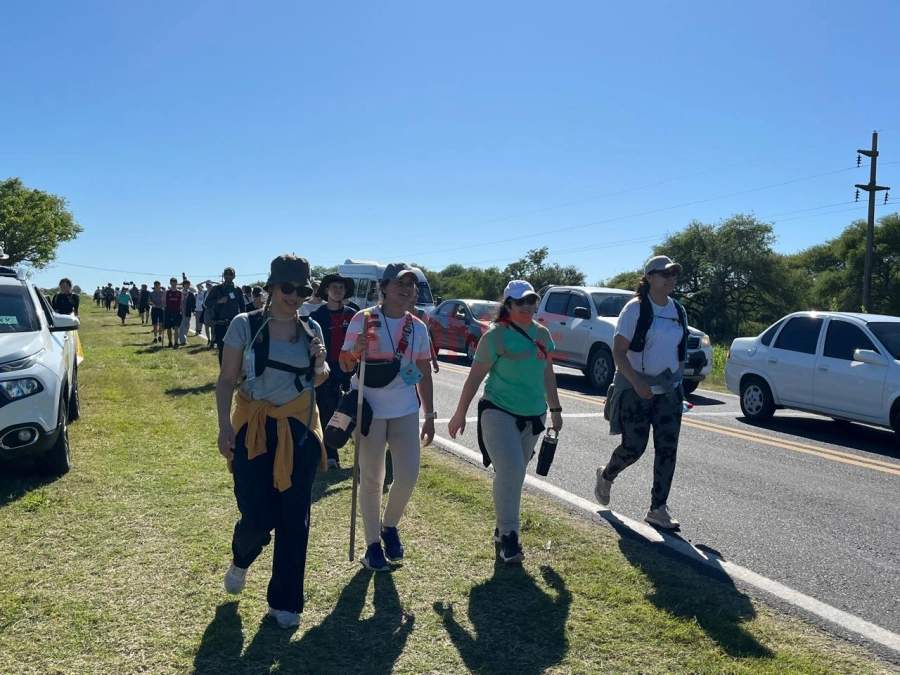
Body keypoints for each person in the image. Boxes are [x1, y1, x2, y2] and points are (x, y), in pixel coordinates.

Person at [216, 254, 330, 629]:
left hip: (298, 429)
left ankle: (285, 603)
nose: (295, 296)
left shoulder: (312, 328)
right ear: (271, 286)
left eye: (303, 289)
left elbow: (320, 378)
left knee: (294, 518)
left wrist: (320, 362)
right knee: (257, 516)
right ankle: (241, 560)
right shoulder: (245, 325)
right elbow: (227, 380)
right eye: (288, 287)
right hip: (253, 426)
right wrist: (224, 427)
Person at [447, 280, 563, 564]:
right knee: (511, 470)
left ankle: (502, 528)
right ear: (508, 305)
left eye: (531, 301)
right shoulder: (495, 336)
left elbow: (547, 374)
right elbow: (475, 377)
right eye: (520, 302)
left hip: (534, 416)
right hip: (498, 412)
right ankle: (510, 536)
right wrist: (460, 413)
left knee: (514, 474)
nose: (527, 306)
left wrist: (556, 409)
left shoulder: (543, 334)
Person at [339, 262, 435, 572]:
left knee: (407, 476)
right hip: (369, 408)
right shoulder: (362, 319)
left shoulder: (418, 327)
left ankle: (389, 526)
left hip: (405, 409)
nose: (407, 289)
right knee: (372, 478)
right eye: (400, 284)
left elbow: (422, 374)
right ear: (384, 287)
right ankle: (371, 545)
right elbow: (343, 364)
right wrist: (355, 350)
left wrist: (430, 414)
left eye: (413, 285)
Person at [593, 255, 688, 530]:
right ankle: (607, 474)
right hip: (636, 389)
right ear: (649, 278)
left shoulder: (678, 310)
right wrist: (636, 382)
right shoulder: (635, 309)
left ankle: (658, 508)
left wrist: (677, 380)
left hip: (668, 391)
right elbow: (619, 352)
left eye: (674, 274)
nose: (671, 278)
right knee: (634, 447)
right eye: (664, 273)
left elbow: (680, 352)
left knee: (667, 449)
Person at [310, 273, 357, 468]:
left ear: (345, 291)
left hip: (351, 371)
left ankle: (362, 456)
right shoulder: (316, 317)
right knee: (328, 412)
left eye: (341, 287)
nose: (338, 291)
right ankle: (330, 456)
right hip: (327, 373)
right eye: (334, 287)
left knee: (354, 413)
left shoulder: (355, 315)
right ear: (326, 291)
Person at [205, 267, 246, 364]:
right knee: (222, 350)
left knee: (237, 350)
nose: (228, 276)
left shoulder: (238, 290)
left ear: (234, 276)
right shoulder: (217, 288)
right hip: (221, 324)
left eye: (230, 274)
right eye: (226, 274)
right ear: (223, 275)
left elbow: (242, 307)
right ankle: (223, 373)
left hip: (234, 324)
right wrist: (219, 301)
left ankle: (234, 373)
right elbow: (207, 303)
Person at [164, 277, 183, 348]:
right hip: (168, 312)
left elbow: (181, 303)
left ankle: (176, 342)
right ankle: (170, 342)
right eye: (172, 283)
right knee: (168, 328)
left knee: (176, 328)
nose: (173, 284)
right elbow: (164, 302)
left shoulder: (179, 293)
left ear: (176, 283)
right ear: (170, 283)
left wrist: (182, 311)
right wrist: (164, 305)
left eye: (175, 283)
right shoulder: (167, 292)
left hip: (177, 312)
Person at [178, 279, 196, 346]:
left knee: (187, 324)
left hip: (188, 311)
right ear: (183, 285)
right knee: (181, 325)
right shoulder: (180, 293)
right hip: (180, 311)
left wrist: (194, 310)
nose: (187, 286)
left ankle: (184, 335)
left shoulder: (191, 294)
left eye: (188, 285)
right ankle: (183, 339)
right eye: (185, 284)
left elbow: (193, 303)